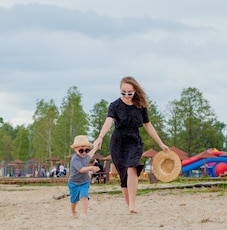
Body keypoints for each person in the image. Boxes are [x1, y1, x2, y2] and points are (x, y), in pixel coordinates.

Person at [94, 76, 169, 213]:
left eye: (130, 93)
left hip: (134, 141)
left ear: (135, 91)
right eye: (123, 92)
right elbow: (108, 122)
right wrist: (100, 137)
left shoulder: (140, 106)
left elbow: (148, 125)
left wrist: (160, 143)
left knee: (132, 168)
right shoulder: (114, 106)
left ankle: (132, 204)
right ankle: (129, 206)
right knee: (123, 175)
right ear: (120, 90)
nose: (127, 95)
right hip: (118, 142)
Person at [68, 135, 100, 217]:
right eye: (81, 150)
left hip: (84, 181)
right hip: (74, 182)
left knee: (84, 195)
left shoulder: (86, 156)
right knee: (74, 199)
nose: (84, 152)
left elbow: (91, 153)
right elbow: (81, 169)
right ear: (75, 149)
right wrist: (91, 167)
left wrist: (96, 147)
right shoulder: (75, 159)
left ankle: (84, 213)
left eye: (87, 150)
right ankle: (73, 211)